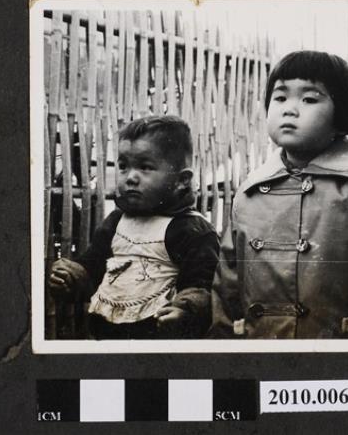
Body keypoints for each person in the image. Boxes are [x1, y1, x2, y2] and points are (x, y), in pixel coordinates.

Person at [209, 50, 348, 339]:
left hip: (341, 348)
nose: (290, 109)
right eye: (280, 97)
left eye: (309, 99)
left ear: (341, 114)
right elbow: (227, 284)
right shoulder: (249, 192)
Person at [48, 115, 220, 339]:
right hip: (104, 336)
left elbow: (202, 286)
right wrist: (72, 277)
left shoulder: (192, 230)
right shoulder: (116, 221)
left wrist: (185, 311)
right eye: (123, 166)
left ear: (182, 180)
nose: (130, 177)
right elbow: (93, 267)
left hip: (157, 341)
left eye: (145, 167)